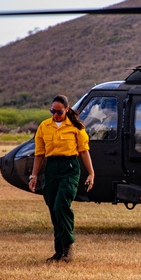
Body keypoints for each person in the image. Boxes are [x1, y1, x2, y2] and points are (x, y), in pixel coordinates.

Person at [29, 94, 95, 262]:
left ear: (67, 109)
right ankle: (59, 251)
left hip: (70, 167)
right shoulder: (44, 126)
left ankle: (68, 247)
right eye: (53, 111)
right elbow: (39, 153)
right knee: (53, 207)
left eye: (59, 111)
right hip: (51, 168)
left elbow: (84, 151)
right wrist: (34, 175)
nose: (56, 115)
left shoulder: (76, 127)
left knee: (61, 205)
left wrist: (91, 173)